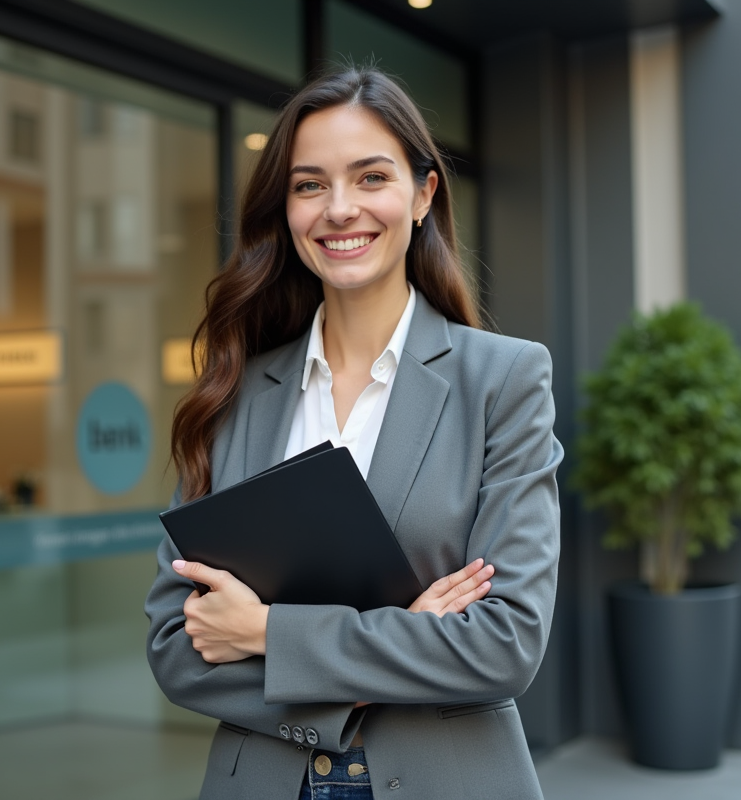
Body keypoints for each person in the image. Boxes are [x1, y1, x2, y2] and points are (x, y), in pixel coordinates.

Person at [145, 67, 563, 800]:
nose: (340, 209)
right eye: (310, 186)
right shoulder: (236, 391)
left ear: (424, 194)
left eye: (371, 177)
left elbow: (505, 645)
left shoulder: (503, 381)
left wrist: (270, 634)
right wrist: (394, 652)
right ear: (287, 208)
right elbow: (178, 649)